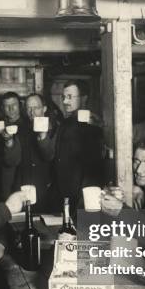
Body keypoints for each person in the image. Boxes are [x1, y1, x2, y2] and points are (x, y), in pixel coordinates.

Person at [40, 79, 104, 212]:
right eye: (64, 97)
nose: (64, 102)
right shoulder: (65, 122)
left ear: (84, 98)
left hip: (80, 196)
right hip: (63, 194)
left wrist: (83, 199)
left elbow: (93, 168)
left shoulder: (92, 124)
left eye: (70, 97)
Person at [0, 93, 58, 211]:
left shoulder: (55, 129)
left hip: (46, 189)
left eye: (36, 108)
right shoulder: (20, 129)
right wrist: (9, 141)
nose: (32, 112)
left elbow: (49, 156)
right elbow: (12, 161)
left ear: (44, 109)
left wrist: (43, 136)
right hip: (23, 187)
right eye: (28, 108)